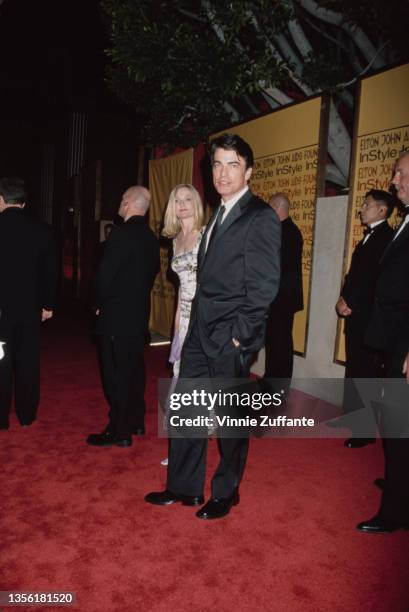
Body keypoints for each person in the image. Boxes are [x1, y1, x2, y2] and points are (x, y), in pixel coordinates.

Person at [145, 133, 281, 519]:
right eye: (217, 164)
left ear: (249, 171)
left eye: (232, 165)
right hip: (198, 333)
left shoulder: (260, 216)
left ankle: (226, 491)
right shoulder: (217, 213)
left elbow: (264, 287)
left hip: (229, 338)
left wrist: (239, 336)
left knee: (230, 419)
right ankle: (184, 487)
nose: (222, 173)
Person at [357, 151, 409, 533]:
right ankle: (398, 486)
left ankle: (395, 511)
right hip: (392, 339)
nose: (395, 181)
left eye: (402, 174)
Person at [87, 186, 159, 448]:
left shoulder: (120, 235)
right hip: (138, 316)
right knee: (134, 371)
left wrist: (96, 304)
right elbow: (151, 275)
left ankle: (119, 430)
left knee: (115, 375)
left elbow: (105, 276)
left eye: (121, 199)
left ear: (128, 203)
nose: (119, 202)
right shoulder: (151, 238)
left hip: (115, 317)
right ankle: (137, 421)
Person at [334, 190, 394, 448]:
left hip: (369, 318)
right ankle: (355, 419)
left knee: (365, 374)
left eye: (367, 204)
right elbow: (355, 275)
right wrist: (344, 297)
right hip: (357, 317)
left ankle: (365, 431)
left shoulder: (386, 239)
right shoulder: (369, 238)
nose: (361, 208)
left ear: (382, 210)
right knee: (355, 370)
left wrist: (351, 302)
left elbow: (374, 279)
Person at [0, 177, 57, 430]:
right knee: (28, 362)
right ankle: (26, 414)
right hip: (29, 310)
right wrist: (47, 305)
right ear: (23, 201)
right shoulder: (41, 230)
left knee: (0, 361)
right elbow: (50, 272)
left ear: (1, 199)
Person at [160, 184, 205, 466]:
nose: (183, 205)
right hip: (185, 316)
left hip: (205, 317)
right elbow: (180, 289)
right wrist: (177, 326)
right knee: (180, 380)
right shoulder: (175, 240)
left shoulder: (206, 236)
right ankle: (179, 447)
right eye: (178, 201)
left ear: (196, 204)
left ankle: (189, 446)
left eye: (188, 199)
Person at [264, 193, 303, 384]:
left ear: (277, 208)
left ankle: (277, 385)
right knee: (274, 341)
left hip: (281, 298)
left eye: (269, 208)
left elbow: (277, 268)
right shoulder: (283, 230)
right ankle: (272, 379)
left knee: (280, 343)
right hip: (279, 297)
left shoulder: (287, 233)